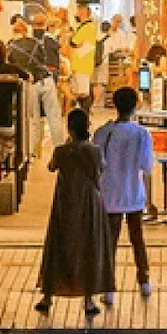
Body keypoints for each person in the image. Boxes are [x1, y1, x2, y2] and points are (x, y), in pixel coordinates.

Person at [35, 108, 115, 317]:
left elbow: (51, 167)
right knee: (89, 248)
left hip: (65, 203)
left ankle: (47, 297)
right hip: (89, 204)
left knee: (58, 247)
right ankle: (88, 301)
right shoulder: (95, 151)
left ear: (69, 128)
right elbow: (102, 168)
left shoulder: (61, 151)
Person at [93, 87, 155, 301]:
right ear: (135, 106)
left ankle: (109, 289)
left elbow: (97, 163)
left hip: (109, 194)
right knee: (137, 239)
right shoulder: (141, 134)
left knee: (110, 242)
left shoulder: (103, 132)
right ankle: (144, 281)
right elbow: (147, 166)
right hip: (134, 194)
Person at [7, 14, 66, 150]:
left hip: (30, 84)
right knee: (54, 117)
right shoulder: (35, 43)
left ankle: (32, 151)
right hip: (46, 80)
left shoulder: (10, 47)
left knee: (34, 119)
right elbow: (43, 60)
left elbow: (13, 68)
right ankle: (60, 148)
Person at [67, 2, 99, 112]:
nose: (78, 13)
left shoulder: (87, 27)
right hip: (79, 64)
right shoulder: (82, 26)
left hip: (82, 64)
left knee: (83, 93)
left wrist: (70, 37)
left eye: (80, 11)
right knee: (79, 92)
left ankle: (85, 114)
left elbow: (73, 42)